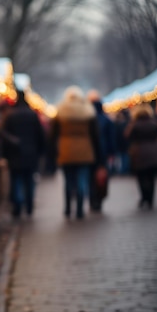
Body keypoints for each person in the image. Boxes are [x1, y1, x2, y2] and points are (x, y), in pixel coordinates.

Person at [51, 86, 101, 219]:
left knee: (68, 181)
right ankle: (79, 209)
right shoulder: (88, 111)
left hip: (66, 151)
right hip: (84, 151)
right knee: (82, 180)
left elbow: (53, 134)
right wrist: (99, 154)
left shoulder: (61, 111)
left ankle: (68, 208)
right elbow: (95, 135)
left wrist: (53, 151)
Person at [1, 90, 47, 218]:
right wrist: (41, 151)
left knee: (16, 180)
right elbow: (40, 134)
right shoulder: (32, 115)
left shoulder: (10, 115)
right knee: (29, 181)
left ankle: (18, 205)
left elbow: (4, 135)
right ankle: (29, 206)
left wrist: (5, 153)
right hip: (31, 153)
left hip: (15, 153)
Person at [124, 103, 157, 209]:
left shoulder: (134, 124)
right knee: (151, 178)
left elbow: (127, 136)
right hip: (153, 152)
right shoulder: (154, 123)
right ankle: (150, 199)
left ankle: (145, 196)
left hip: (138, 154)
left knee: (141, 177)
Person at [87, 90, 116, 212]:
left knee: (90, 177)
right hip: (103, 152)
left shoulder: (87, 119)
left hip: (89, 152)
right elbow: (111, 138)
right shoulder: (106, 119)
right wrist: (112, 152)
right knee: (102, 177)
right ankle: (99, 199)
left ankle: (93, 199)